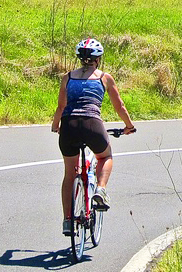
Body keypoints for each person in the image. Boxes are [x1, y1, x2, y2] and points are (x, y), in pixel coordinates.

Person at [51, 38, 136, 236]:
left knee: (69, 175)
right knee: (104, 157)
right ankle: (100, 189)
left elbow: (61, 107)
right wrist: (129, 126)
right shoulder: (104, 78)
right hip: (92, 124)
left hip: (69, 126)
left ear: (80, 58)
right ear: (98, 59)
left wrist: (56, 126)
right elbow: (119, 106)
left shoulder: (68, 77)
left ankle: (67, 221)